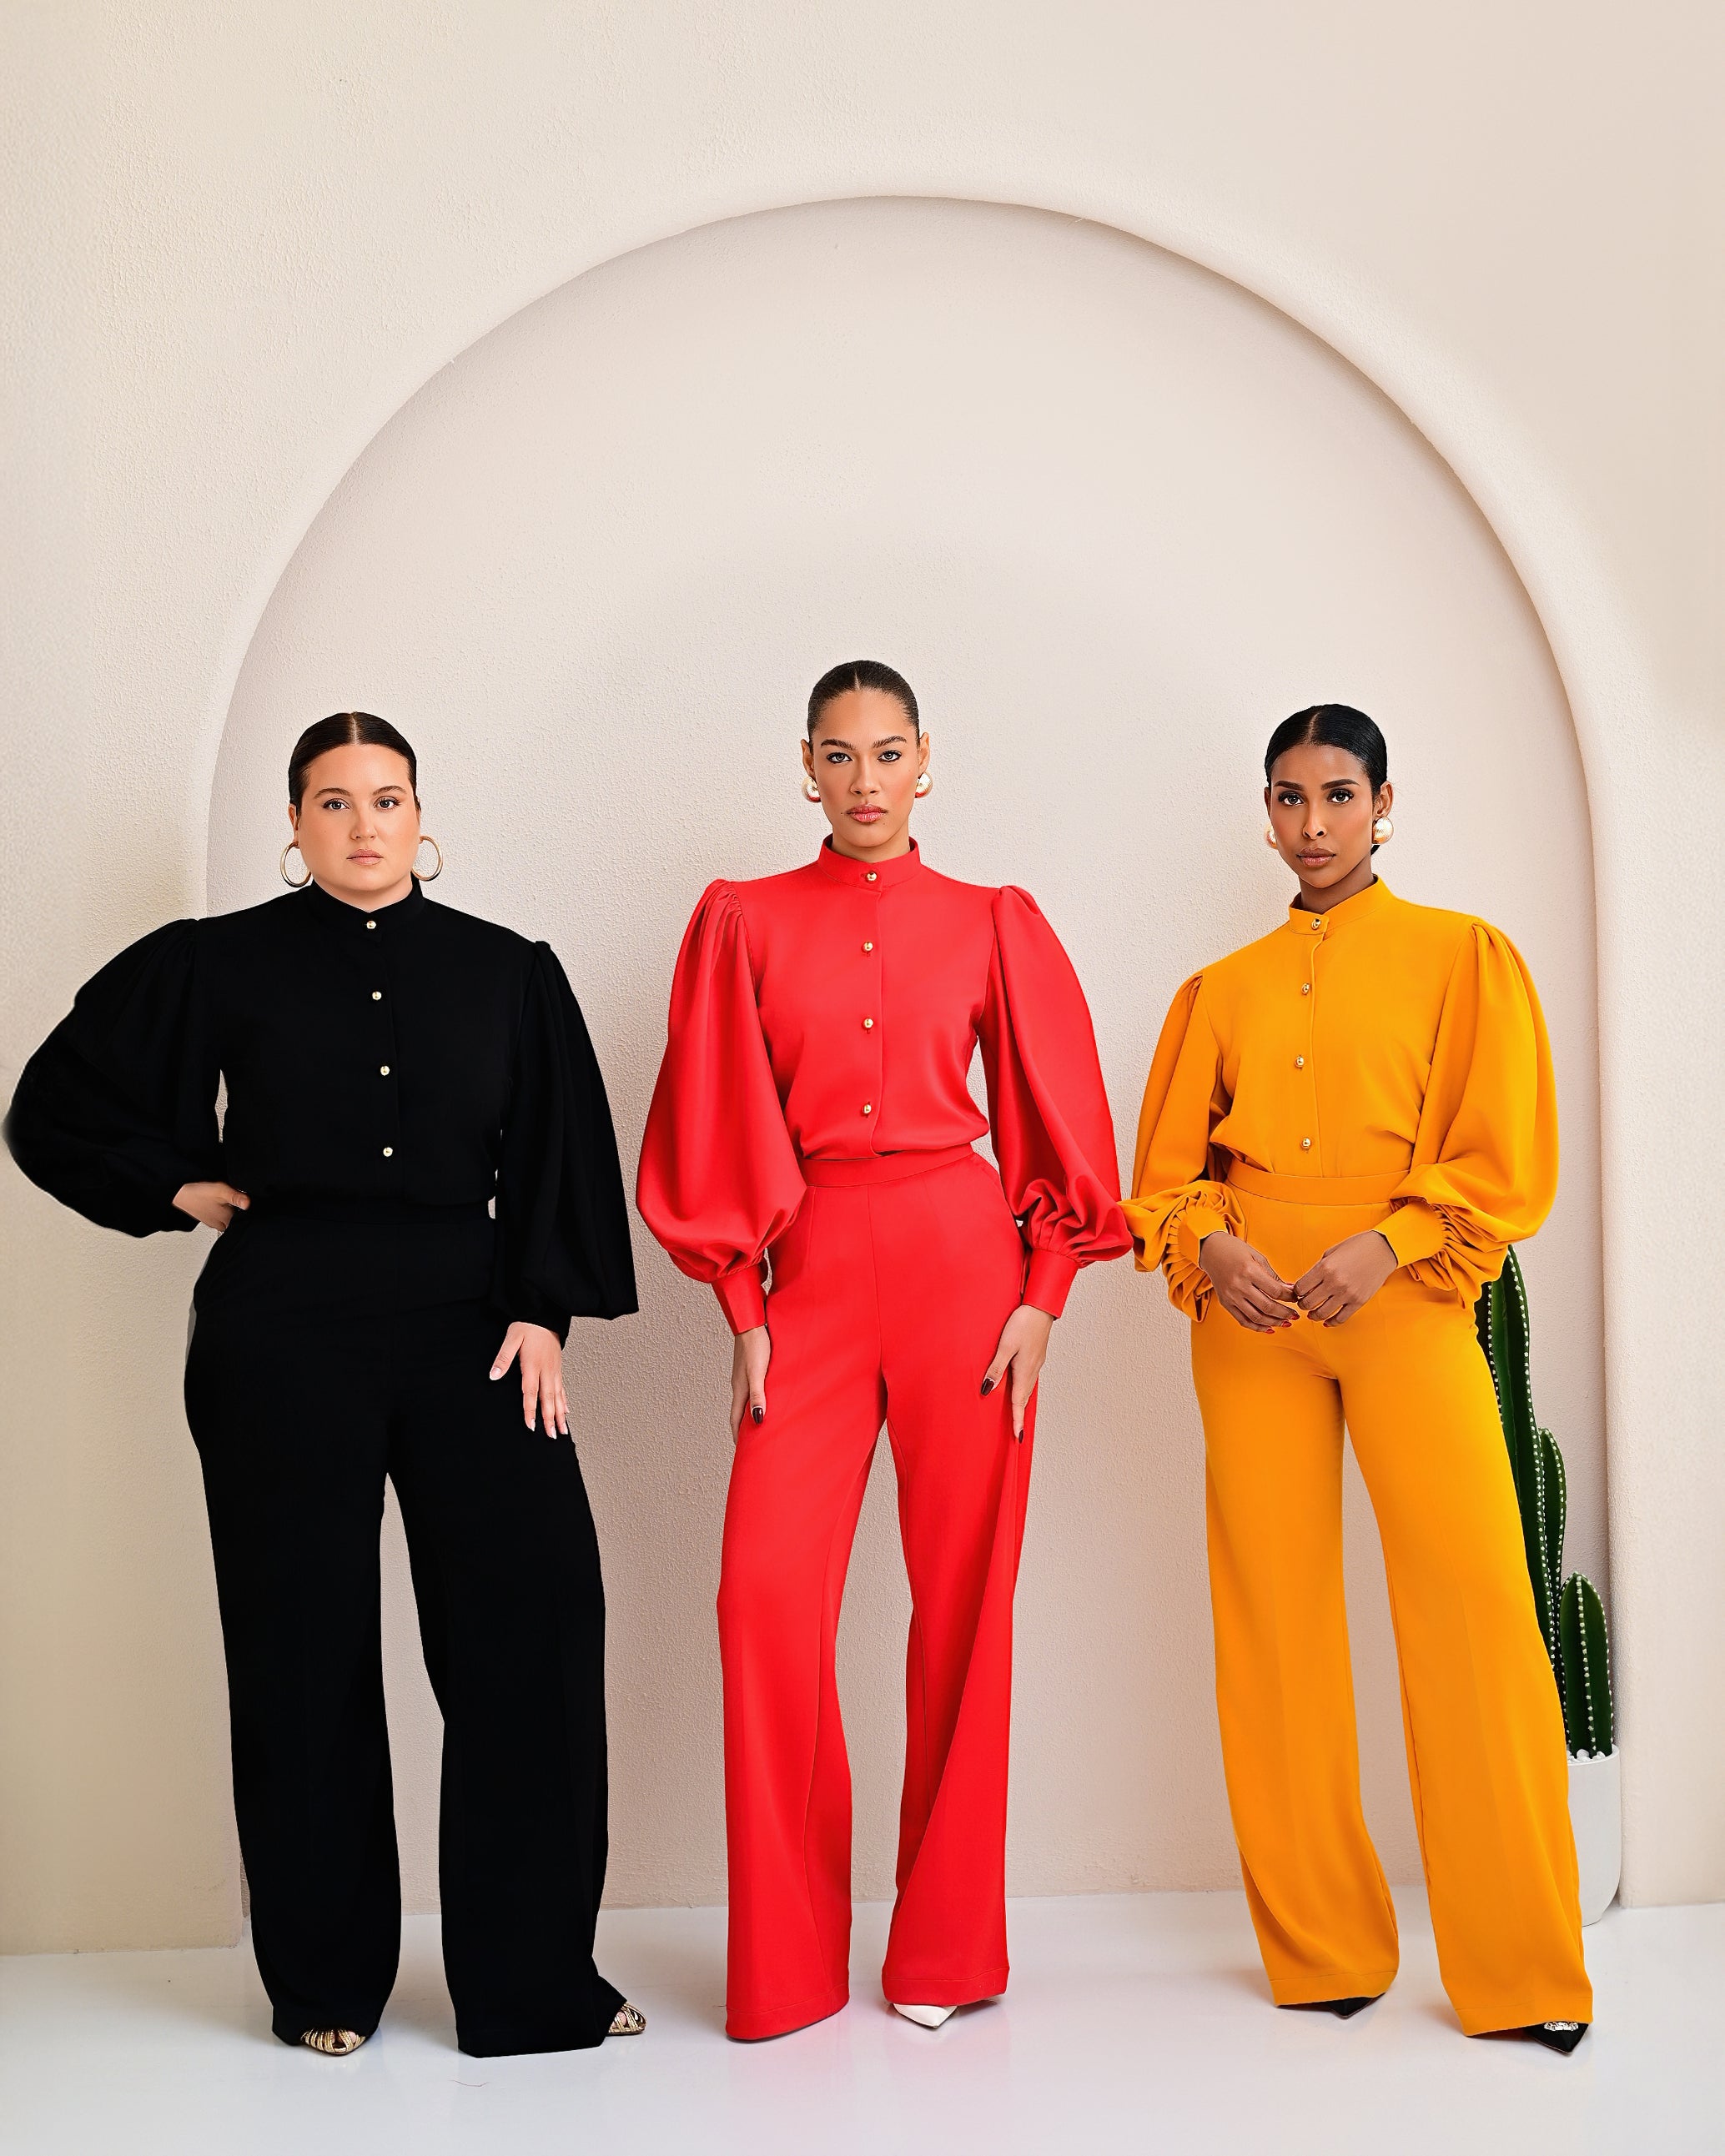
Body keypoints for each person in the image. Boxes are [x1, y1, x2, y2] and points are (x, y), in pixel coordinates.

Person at [6, 713, 643, 2058]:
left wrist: (542, 1309)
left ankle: (533, 1981)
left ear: (422, 815)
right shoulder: (217, 960)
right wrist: (174, 1185)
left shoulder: (507, 970)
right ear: (295, 824)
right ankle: (326, 1984)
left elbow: (559, 1147)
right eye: (335, 801)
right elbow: (49, 1105)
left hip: (476, 1330)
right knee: (302, 1649)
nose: (364, 824)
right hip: (281, 1333)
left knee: (531, 1630)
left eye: (387, 798)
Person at [636, 661, 1129, 2039]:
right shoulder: (742, 920)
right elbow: (711, 1120)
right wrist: (745, 1311)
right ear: (807, 767)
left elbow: (1053, 1112)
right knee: (761, 1599)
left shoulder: (990, 920)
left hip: (967, 1276)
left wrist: (1042, 1295)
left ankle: (945, 1952)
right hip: (808, 1271)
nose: (866, 779)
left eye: (889, 751)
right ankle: (787, 1965)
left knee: (966, 1604)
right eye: (841, 754)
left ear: (927, 762)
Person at [1123, 703, 1592, 2052]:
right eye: (1289, 796)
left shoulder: (1462, 956)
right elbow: (1167, 1173)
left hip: (1405, 1300)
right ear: (1267, 812)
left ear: (1385, 803)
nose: (1313, 822)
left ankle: (1525, 1969)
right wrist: (1213, 1249)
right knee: (1273, 1620)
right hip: (1252, 1317)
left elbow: (1499, 1155)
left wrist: (1385, 1245)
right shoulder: (1220, 988)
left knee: (1476, 1612)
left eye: (1338, 794)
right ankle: (1324, 1946)